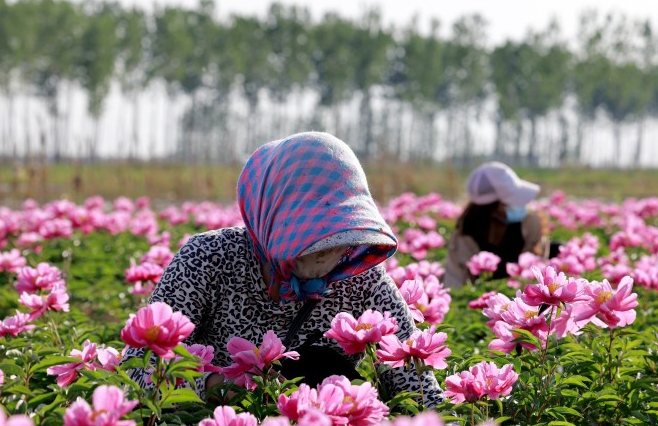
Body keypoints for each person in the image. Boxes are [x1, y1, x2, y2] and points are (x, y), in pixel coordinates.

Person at [127, 132, 444, 407]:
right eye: (314, 236)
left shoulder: (362, 279)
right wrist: (219, 388)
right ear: (274, 217)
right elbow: (137, 370)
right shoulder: (207, 259)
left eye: (341, 236)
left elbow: (422, 396)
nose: (327, 255)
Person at [443, 161, 553, 288]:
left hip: (522, 294)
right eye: (510, 201)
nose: (519, 205)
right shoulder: (466, 234)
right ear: (492, 208)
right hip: (481, 296)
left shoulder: (531, 222)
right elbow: (454, 282)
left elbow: (537, 270)